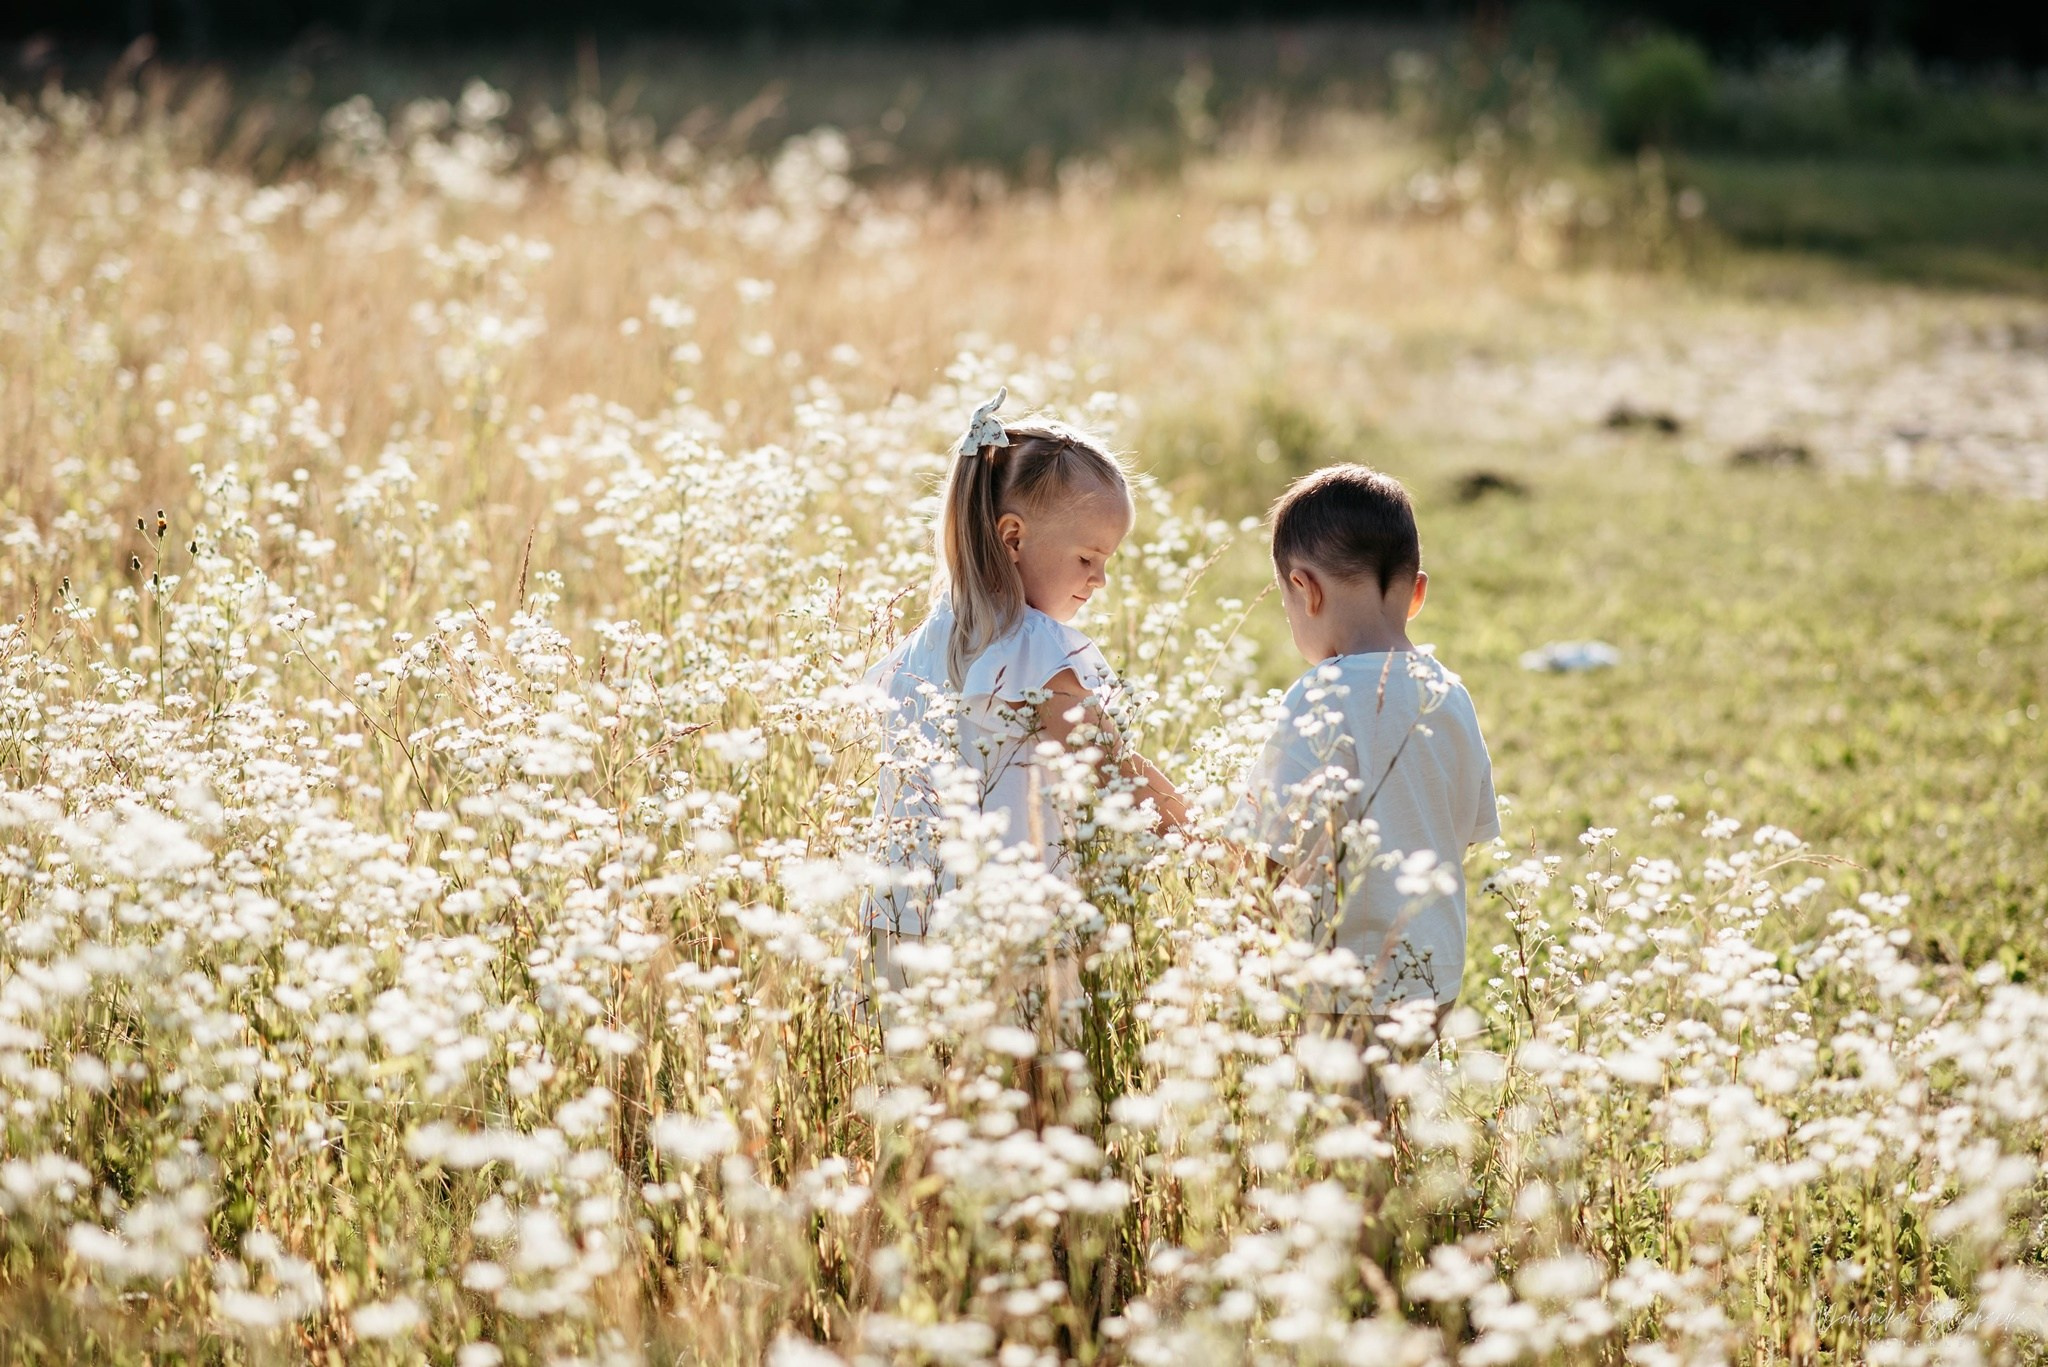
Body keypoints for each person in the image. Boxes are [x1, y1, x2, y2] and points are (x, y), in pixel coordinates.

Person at [864, 388, 1185, 973]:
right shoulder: (1035, 648)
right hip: (1008, 931)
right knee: (1030, 1067)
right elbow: (1110, 766)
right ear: (1013, 538)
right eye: (1088, 558)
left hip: (904, 922)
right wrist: (1202, 837)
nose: (1100, 580)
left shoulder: (923, 643)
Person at [1233, 463, 1499, 1065]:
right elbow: (1468, 827)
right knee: (1397, 1120)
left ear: (1305, 589)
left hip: (1344, 981)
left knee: (1346, 1142)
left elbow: (1271, 848)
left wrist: (1244, 942)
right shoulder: (1450, 693)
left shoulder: (1318, 694)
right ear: (1419, 592)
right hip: (1436, 972)